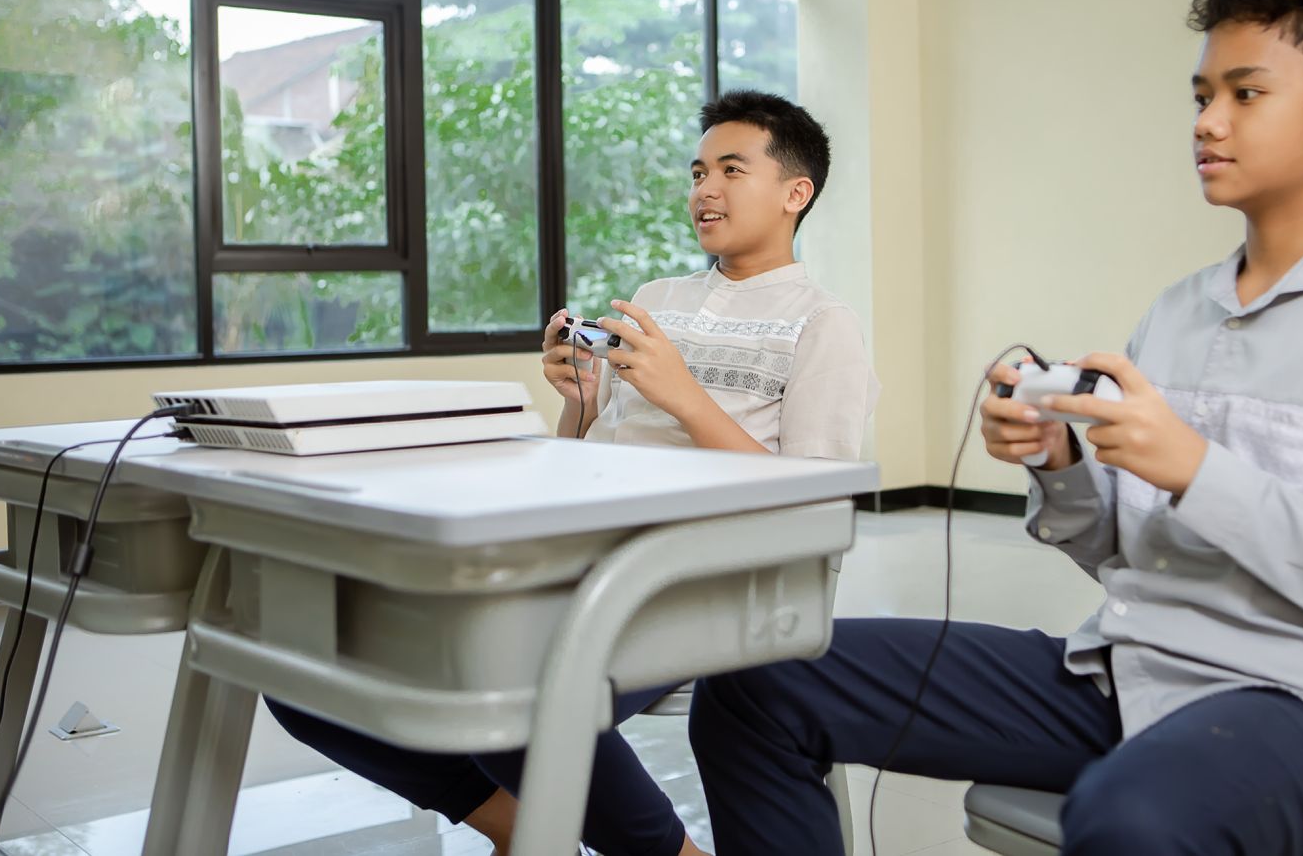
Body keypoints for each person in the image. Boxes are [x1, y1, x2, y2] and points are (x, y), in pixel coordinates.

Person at [687, 0, 1303, 855]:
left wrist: (1198, 469)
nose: (1206, 121)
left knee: (1130, 818)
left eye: (1245, 94)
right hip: (1121, 676)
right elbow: (1122, 549)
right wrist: (1060, 463)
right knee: (756, 682)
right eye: (1201, 94)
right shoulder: (1179, 311)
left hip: (1302, 711)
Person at [267, 90, 879, 855]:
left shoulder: (824, 325)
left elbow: (811, 509)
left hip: (706, 579)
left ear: (797, 192)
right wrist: (583, 403)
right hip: (583, 548)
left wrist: (686, 398)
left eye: (730, 168)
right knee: (304, 670)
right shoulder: (659, 300)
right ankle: (525, 827)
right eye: (696, 171)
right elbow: (590, 455)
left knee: (510, 693)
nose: (704, 190)